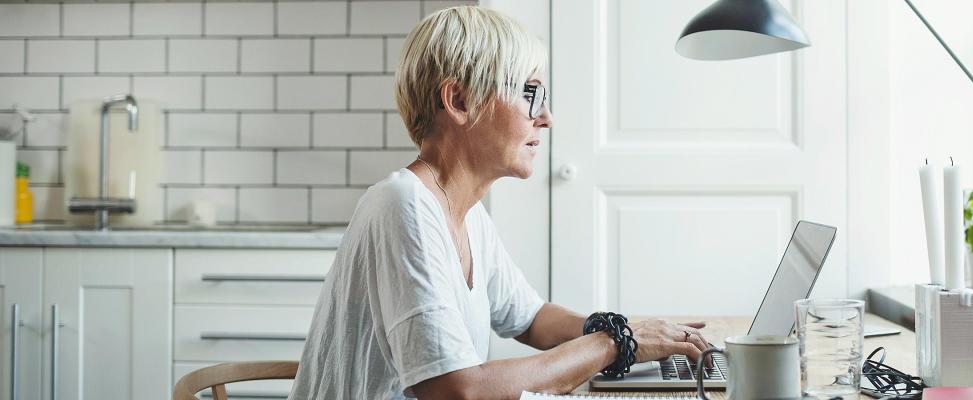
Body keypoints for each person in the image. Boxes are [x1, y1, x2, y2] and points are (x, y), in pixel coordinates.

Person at [289, 6, 711, 400]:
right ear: (458, 101)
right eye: (530, 93)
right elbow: (457, 390)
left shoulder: (466, 213)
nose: (545, 117)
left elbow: (531, 319)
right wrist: (615, 344)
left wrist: (628, 330)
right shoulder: (403, 206)